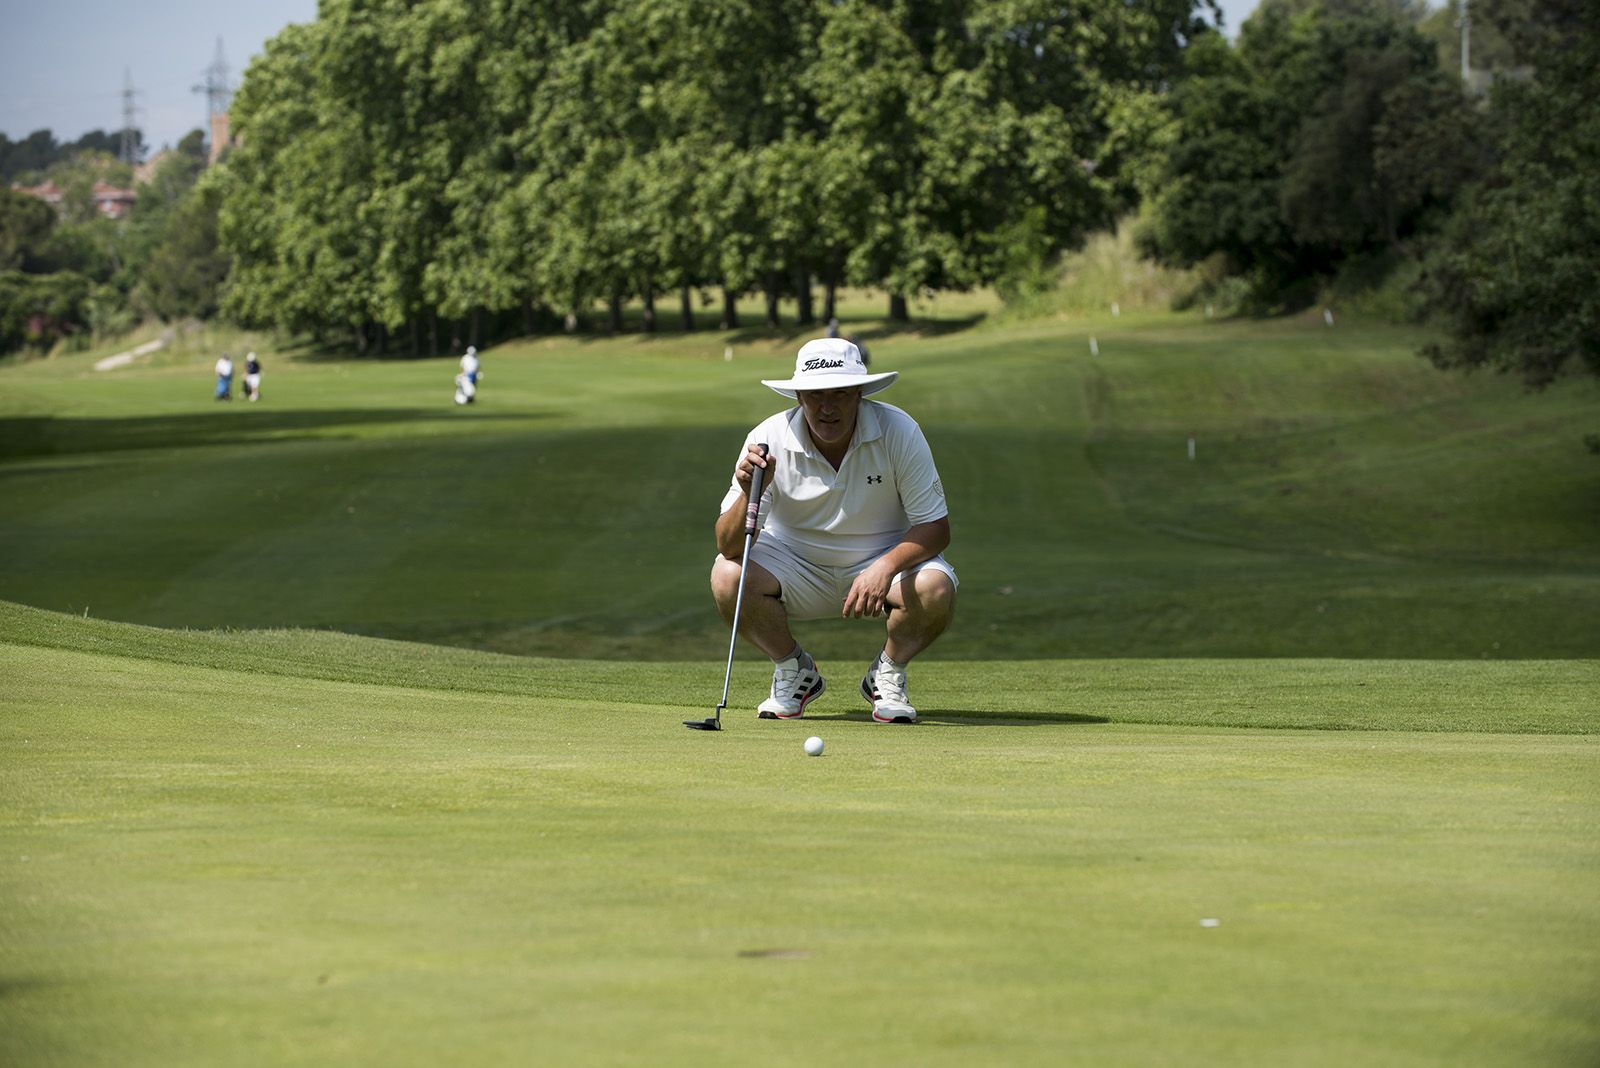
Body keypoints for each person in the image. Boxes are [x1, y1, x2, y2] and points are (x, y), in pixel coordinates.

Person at [711, 337, 957, 724]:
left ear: (859, 393)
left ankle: (888, 673)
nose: (827, 407)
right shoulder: (768, 439)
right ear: (799, 399)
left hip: (883, 564)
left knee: (936, 588)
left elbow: (936, 528)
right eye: (815, 395)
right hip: (793, 568)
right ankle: (794, 671)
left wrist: (885, 567)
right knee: (727, 576)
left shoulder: (899, 430)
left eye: (840, 394)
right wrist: (746, 492)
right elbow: (728, 546)